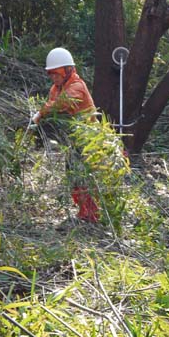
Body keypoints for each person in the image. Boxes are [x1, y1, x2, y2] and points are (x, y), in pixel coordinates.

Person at [30, 47, 100, 223]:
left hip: (89, 139)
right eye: (50, 73)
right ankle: (84, 212)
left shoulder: (77, 86)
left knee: (84, 176)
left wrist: (41, 112)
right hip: (74, 140)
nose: (53, 77)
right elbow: (53, 104)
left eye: (56, 72)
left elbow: (61, 104)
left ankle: (92, 214)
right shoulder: (56, 88)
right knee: (72, 174)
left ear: (68, 70)